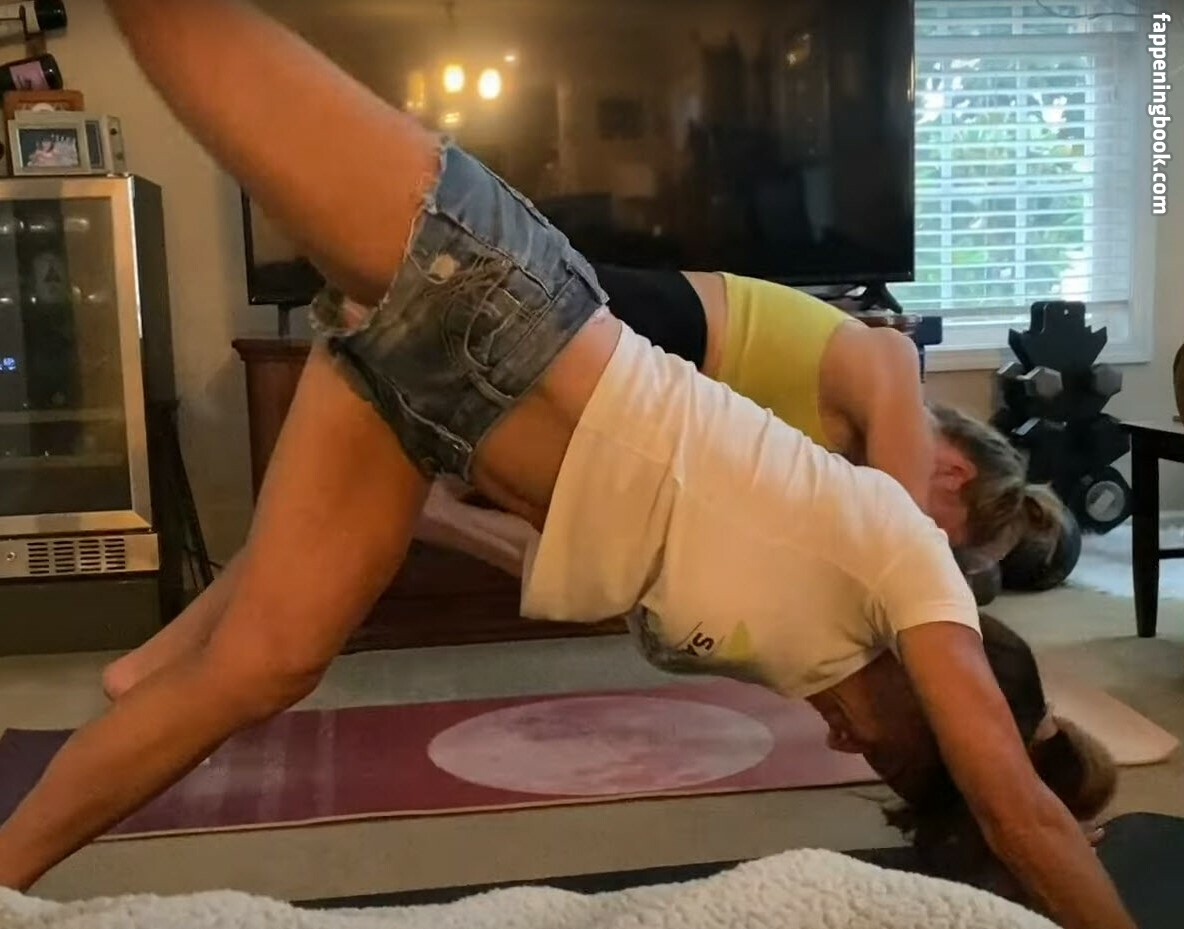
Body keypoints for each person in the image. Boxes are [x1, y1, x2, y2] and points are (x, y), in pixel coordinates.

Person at [0, 4, 1133, 928]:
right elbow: (1016, 810)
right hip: (491, 295)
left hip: (430, 414)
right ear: (949, 702)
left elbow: (594, 523)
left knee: (261, 668)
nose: (847, 746)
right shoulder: (916, 573)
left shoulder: (804, 646)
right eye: (886, 748)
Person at [414, 265, 1064, 579]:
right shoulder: (890, 369)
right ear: (953, 472)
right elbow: (895, 545)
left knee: (617, 567)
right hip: (645, 326)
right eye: (941, 530)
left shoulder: (849, 470)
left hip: (650, 405)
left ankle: (434, 506)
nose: (930, 537)